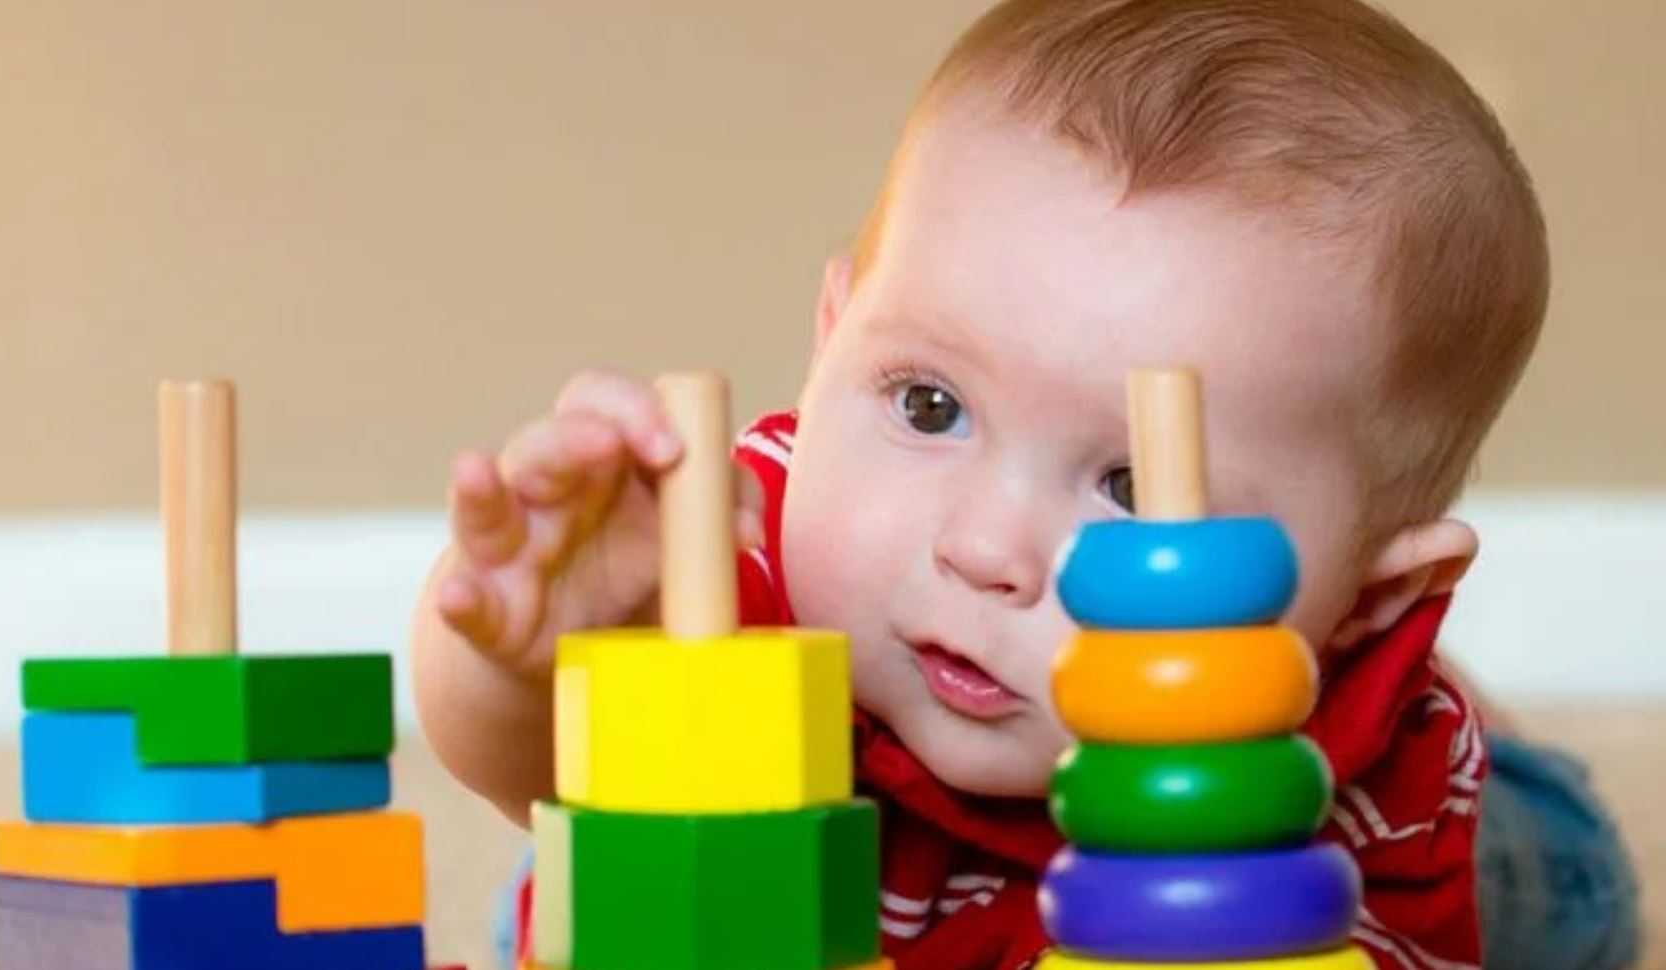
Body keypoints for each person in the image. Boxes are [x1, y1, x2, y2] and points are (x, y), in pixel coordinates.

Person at [412, 1, 1639, 966]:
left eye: (1127, 482)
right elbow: (522, 765)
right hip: (815, 873)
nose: (986, 546)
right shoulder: (728, 559)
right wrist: (531, 652)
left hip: (1348, 849)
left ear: (1363, 600)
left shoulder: (1345, 804)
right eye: (928, 406)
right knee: (569, 886)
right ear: (831, 335)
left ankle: (1474, 717)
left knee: (1561, 890)